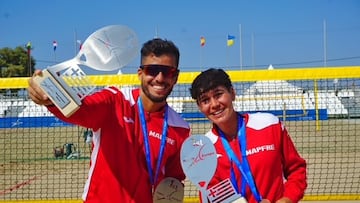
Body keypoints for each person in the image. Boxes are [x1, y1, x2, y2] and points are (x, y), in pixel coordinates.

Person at [28, 38, 191, 203]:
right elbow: (80, 110)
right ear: (140, 73)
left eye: (168, 72)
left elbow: (173, 179)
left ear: (176, 77)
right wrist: (49, 98)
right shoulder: (115, 101)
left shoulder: (181, 128)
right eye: (152, 70)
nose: (160, 78)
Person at [189, 68, 307, 203]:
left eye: (218, 94)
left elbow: (296, 170)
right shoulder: (203, 149)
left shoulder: (269, 124)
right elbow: (210, 197)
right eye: (205, 100)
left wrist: (286, 200)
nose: (214, 104)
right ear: (200, 107)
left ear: (232, 93)